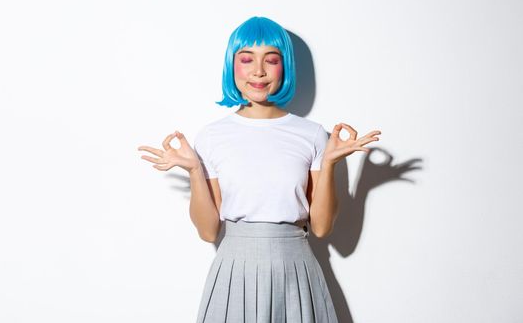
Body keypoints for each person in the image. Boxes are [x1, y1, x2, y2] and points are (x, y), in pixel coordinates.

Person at [138, 16, 381, 322]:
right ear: (232, 65)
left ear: (285, 67)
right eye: (246, 58)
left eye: (271, 59)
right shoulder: (212, 136)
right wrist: (194, 171)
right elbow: (208, 231)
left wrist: (332, 163)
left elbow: (320, 228)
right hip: (234, 269)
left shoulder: (313, 134)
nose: (259, 71)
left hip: (295, 267)